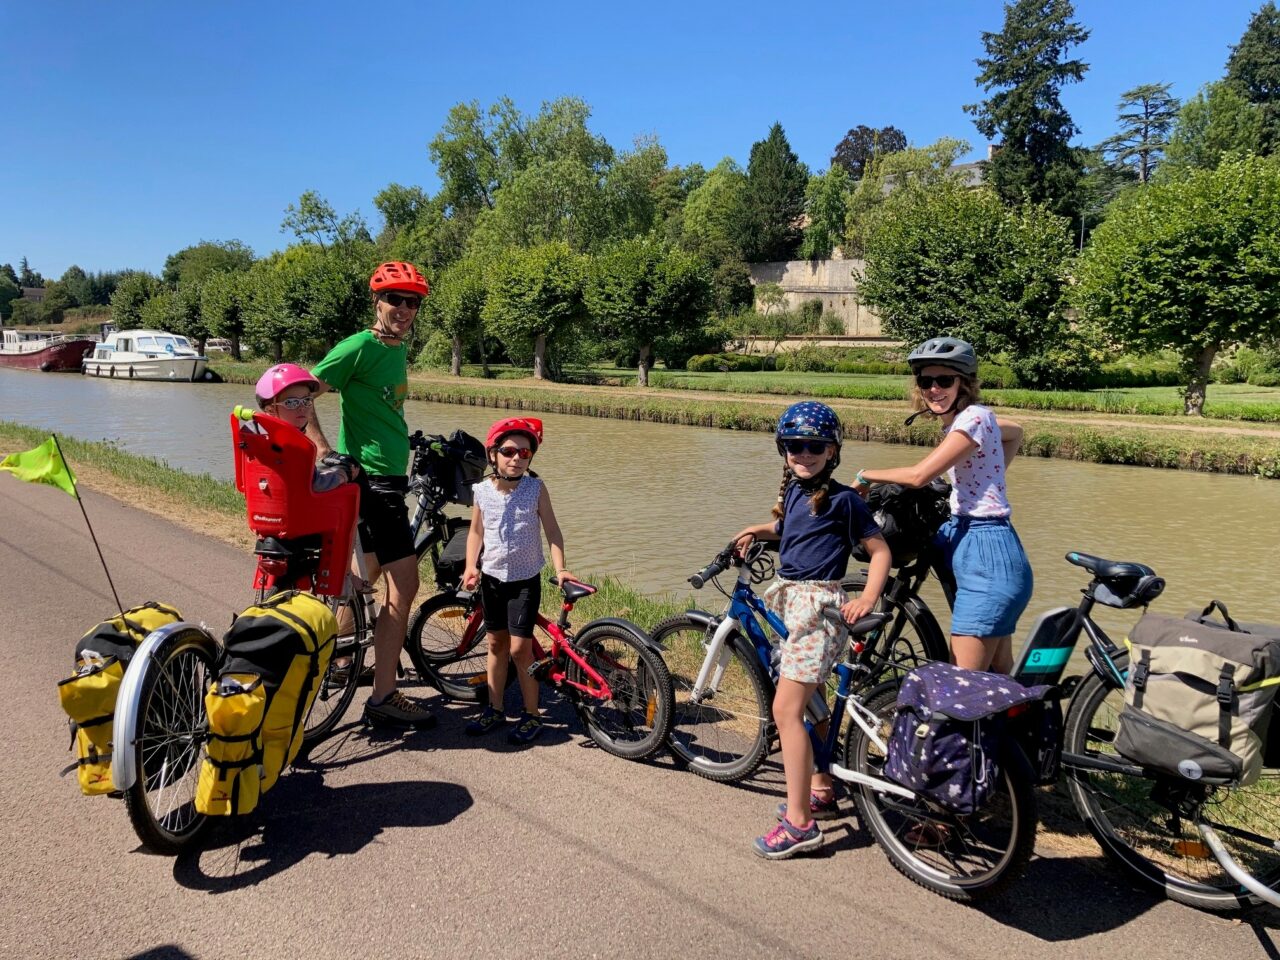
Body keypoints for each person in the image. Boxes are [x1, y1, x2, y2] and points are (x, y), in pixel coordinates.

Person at [732, 401, 892, 859]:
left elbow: (879, 552)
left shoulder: (844, 500)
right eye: (795, 446)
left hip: (818, 609)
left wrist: (866, 597)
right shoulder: (799, 494)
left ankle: (800, 825)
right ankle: (821, 785)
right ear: (784, 450)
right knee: (812, 704)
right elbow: (786, 530)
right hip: (790, 599)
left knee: (787, 710)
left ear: (832, 451)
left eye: (815, 447)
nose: (804, 454)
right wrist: (754, 530)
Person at [852, 336, 1032, 674]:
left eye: (944, 380)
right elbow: (1016, 432)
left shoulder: (971, 419)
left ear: (964, 383)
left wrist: (864, 477)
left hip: (985, 551)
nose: (934, 389)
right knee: (996, 673)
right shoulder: (975, 420)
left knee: (963, 682)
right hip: (981, 541)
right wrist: (984, 479)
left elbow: (919, 475)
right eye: (926, 381)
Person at [306, 261, 435, 729]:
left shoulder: (393, 348)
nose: (403, 308)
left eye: (412, 301)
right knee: (406, 583)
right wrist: (324, 451)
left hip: (386, 480)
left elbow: (381, 411)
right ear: (376, 302)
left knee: (369, 574)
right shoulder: (359, 346)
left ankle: (343, 658)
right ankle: (384, 695)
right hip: (375, 484)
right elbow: (302, 393)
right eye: (395, 299)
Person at [461, 416, 576, 745]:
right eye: (509, 451)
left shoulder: (535, 488)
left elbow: (552, 531)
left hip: (525, 580)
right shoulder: (482, 491)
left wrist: (561, 568)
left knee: (520, 649)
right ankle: (495, 708)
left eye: (524, 454)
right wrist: (472, 566)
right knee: (495, 644)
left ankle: (532, 714)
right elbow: (476, 532)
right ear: (493, 454)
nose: (516, 459)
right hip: (492, 578)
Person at [253, 363, 358, 492]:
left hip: (266, 503)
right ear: (271, 409)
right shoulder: (294, 443)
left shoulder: (254, 434)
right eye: (291, 403)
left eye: (307, 400)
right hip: (299, 507)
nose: (302, 407)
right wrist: (341, 475)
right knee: (353, 474)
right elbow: (315, 484)